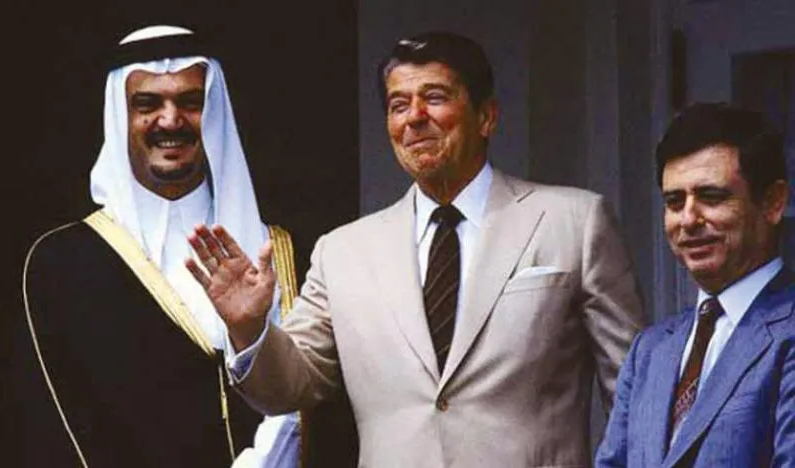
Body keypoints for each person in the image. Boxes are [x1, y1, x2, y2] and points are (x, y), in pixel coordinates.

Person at [187, 31, 646, 467]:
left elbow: (635, 398)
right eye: (398, 105)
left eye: (435, 97)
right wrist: (249, 328)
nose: (414, 117)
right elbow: (288, 387)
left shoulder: (574, 221)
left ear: (486, 116)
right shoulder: (343, 252)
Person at [16, 25, 299, 467]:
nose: (170, 121)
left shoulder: (278, 251)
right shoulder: (62, 264)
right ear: (120, 116)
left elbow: (301, 403)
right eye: (147, 105)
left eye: (190, 102)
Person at [595, 102, 795, 467]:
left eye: (711, 197)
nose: (688, 219)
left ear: (773, 202)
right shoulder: (648, 351)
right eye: (674, 202)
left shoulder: (787, 332)